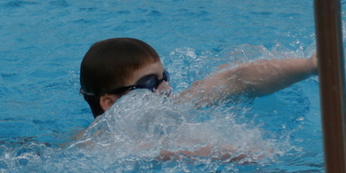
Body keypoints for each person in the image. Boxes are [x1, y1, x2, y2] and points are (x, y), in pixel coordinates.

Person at [80, 37, 317, 121]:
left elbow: (236, 79)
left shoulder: (174, 108)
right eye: (150, 83)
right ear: (110, 103)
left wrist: (309, 66)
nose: (166, 87)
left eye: (164, 77)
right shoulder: (99, 143)